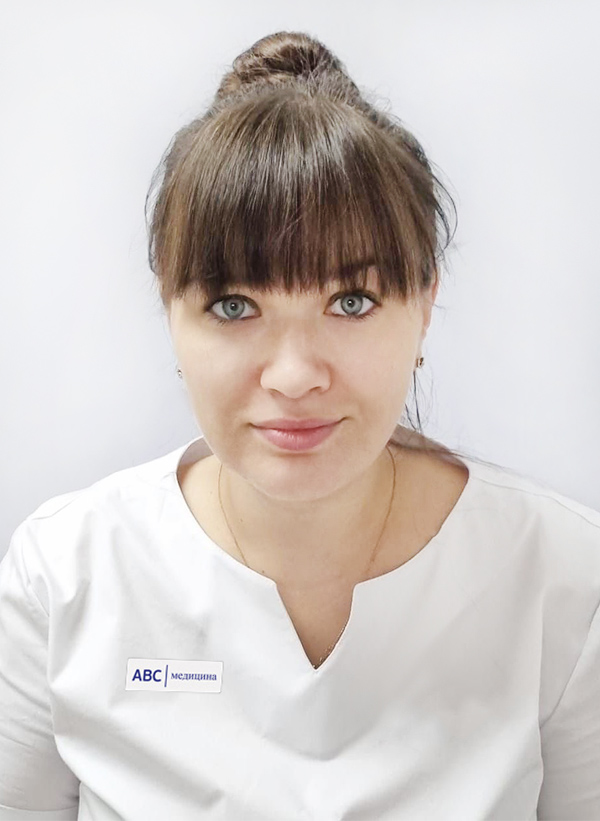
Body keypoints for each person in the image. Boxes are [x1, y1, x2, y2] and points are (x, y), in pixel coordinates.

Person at [1, 30, 599, 821]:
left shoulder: (560, 580)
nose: (293, 375)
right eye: (234, 305)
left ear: (424, 302)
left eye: (351, 301)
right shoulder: (66, 577)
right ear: (168, 306)